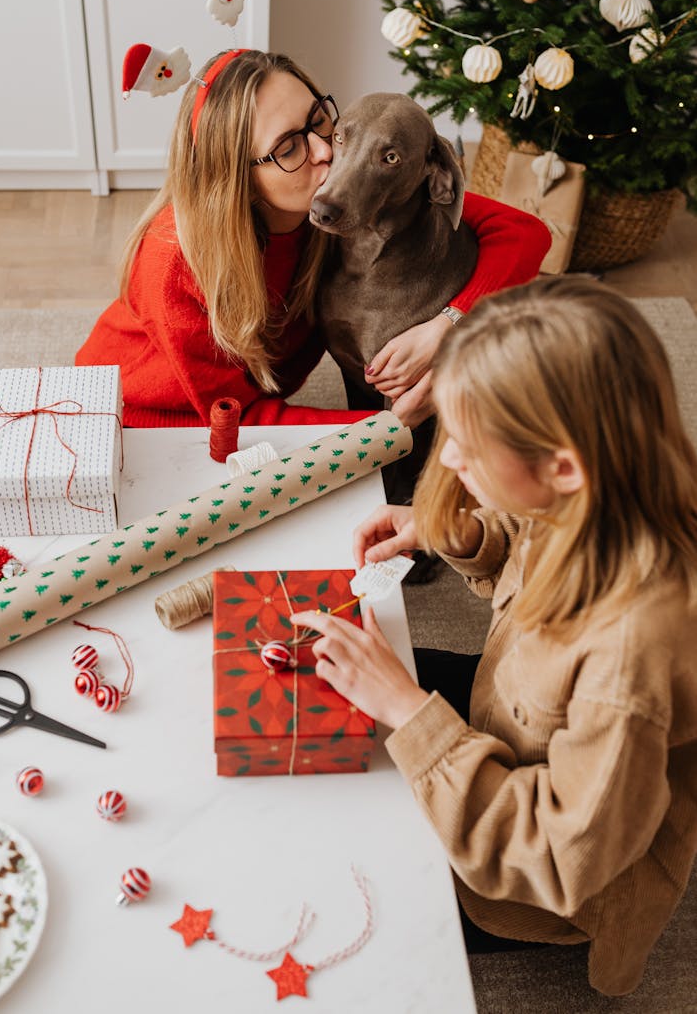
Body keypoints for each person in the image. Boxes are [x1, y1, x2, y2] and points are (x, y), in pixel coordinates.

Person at [290, 276, 697, 997]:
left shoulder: (631, 655)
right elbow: (531, 525)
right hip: (508, 717)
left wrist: (412, 715)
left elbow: (562, 857)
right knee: (330, 724)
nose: (447, 462)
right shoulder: (602, 487)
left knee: (327, 872)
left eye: (470, 447)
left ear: (563, 465)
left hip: (532, 876)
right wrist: (465, 527)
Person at [76, 49, 550, 428]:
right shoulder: (176, 263)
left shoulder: (331, 202)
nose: (326, 153)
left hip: (252, 401)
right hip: (150, 423)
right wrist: (380, 428)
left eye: (322, 121)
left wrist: (446, 324)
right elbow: (239, 421)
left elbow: (524, 233)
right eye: (287, 147)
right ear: (235, 175)